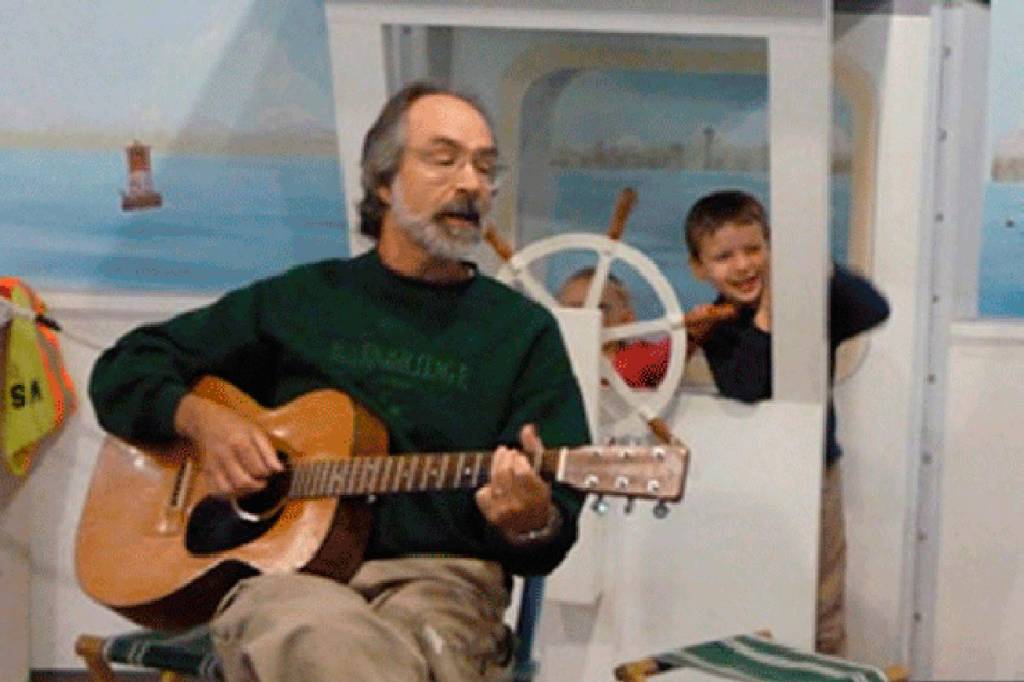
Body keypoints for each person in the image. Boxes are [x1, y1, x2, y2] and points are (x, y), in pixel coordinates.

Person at [88, 82, 590, 682]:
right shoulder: (303, 301)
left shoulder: (521, 333)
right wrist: (202, 420)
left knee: (381, 651)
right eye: (444, 159)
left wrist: (529, 520)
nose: (471, 184)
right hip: (287, 583)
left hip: (441, 586)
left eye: (485, 167)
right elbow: (126, 366)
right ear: (384, 182)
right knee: (316, 632)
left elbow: (551, 531)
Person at [683, 189, 890, 655]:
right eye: (724, 257)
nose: (743, 265)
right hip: (754, 482)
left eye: (754, 249)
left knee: (823, 607)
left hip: (817, 474)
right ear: (699, 268)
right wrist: (766, 318)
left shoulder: (811, 305)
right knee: (761, 599)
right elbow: (747, 386)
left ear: (773, 248)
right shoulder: (717, 326)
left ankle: (827, 666)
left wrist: (822, 268)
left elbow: (874, 309)